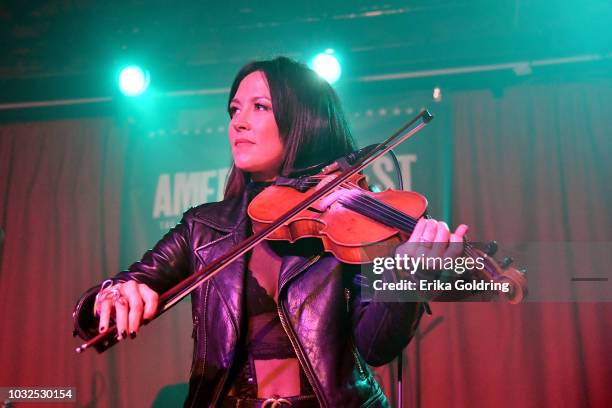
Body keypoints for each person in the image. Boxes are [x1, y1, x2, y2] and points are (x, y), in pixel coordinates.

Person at [73, 56, 468, 407]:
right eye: (234, 110)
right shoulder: (203, 227)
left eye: (259, 107)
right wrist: (113, 294)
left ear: (305, 120)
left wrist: (409, 276)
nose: (237, 122)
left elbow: (377, 345)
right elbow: (101, 306)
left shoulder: (348, 220)